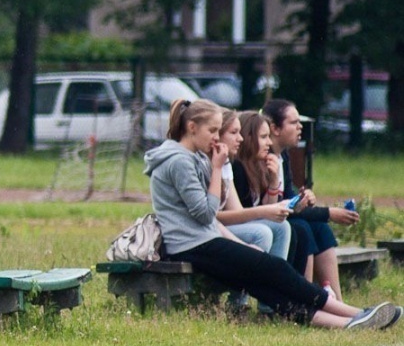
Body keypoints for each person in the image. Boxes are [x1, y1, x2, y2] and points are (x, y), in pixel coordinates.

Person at [144, 98, 399, 330]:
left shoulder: (192, 157)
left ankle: (344, 324)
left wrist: (240, 244)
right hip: (190, 245)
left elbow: (207, 221)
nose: (216, 138)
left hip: (203, 241)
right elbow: (204, 214)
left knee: (265, 287)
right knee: (275, 269)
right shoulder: (179, 161)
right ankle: (354, 313)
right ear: (191, 127)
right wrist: (216, 170)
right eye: (212, 131)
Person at [262, 98, 355, 300]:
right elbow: (274, 204)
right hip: (265, 219)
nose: (300, 127)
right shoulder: (263, 158)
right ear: (275, 129)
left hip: (280, 215)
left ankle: (337, 299)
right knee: (303, 227)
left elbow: (287, 199)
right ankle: (307, 298)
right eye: (294, 123)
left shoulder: (282, 156)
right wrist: (330, 213)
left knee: (320, 227)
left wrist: (302, 199)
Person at [215, 109, 292, 262]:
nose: (240, 139)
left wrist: (274, 181)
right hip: (211, 231)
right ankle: (256, 284)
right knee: (262, 233)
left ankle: (277, 282)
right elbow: (213, 217)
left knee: (284, 227)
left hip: (227, 226)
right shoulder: (236, 166)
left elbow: (239, 211)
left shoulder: (232, 164)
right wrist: (265, 211)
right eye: (264, 137)